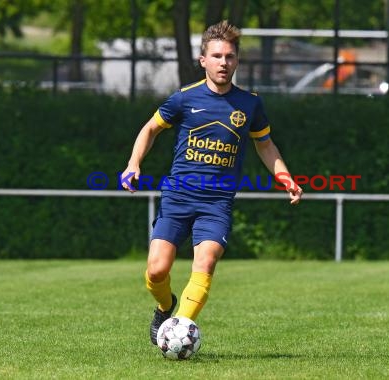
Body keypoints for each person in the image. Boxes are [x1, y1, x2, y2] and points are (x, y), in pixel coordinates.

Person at [120, 20, 303, 345]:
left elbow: (265, 145)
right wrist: (134, 164)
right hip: (177, 197)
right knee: (157, 271)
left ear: (237, 61)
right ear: (203, 59)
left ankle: (179, 331)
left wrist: (285, 177)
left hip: (216, 203)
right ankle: (165, 307)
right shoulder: (184, 99)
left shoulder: (250, 104)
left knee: (206, 259)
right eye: (217, 56)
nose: (224, 62)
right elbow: (150, 128)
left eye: (230, 56)